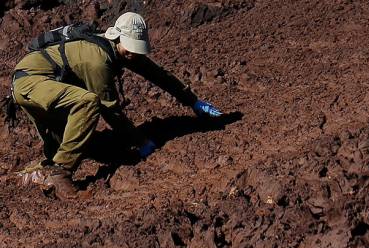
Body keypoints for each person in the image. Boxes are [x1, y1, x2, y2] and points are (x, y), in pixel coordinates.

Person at [11, 12, 223, 198]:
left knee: (77, 142)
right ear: (118, 37)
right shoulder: (98, 60)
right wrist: (140, 141)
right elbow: (110, 110)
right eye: (131, 48)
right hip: (32, 82)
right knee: (87, 103)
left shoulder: (120, 49)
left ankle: (37, 174)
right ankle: (61, 174)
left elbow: (158, 75)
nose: (133, 54)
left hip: (38, 84)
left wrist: (193, 101)